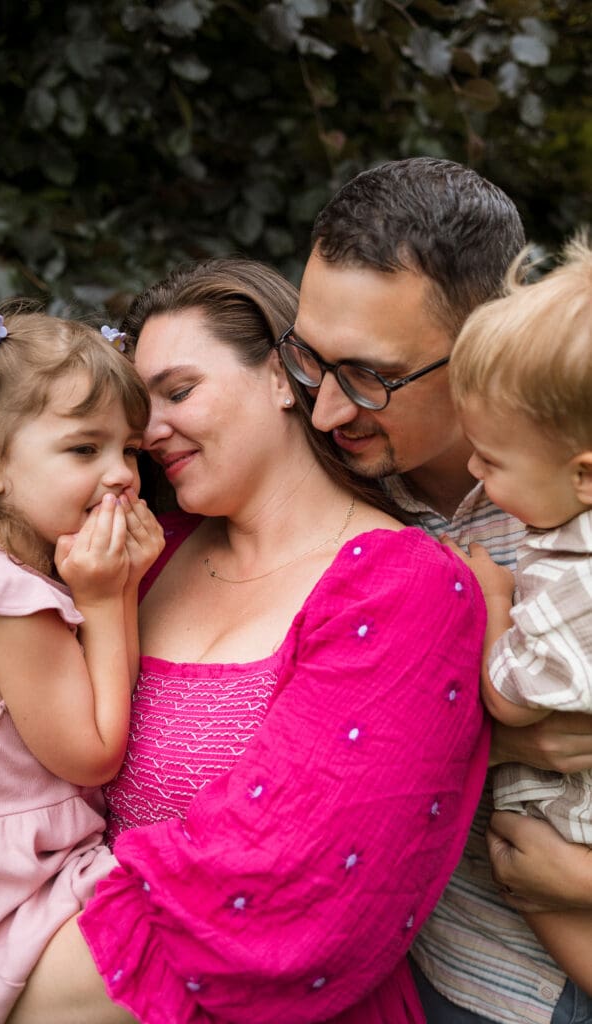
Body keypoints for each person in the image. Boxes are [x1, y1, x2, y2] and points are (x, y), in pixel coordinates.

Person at [7, 257, 490, 1024]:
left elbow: (290, 880)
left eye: (179, 391)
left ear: (280, 376)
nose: (147, 431)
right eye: (140, 407)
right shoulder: (144, 553)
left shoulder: (403, 586)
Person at [286, 155, 592, 1023]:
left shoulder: (574, 490)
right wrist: (498, 747)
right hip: (436, 981)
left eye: (371, 376)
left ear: (484, 340)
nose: (326, 413)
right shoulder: (311, 487)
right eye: (310, 359)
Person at [0, 305, 164, 1024]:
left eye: (130, 450)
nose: (120, 476)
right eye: (84, 450)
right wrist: (112, 597)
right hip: (9, 897)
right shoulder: (8, 601)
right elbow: (93, 755)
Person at [445, 235, 592, 995]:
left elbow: (507, 695)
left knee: (522, 858)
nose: (474, 472)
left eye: (493, 462)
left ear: (584, 474)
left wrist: (495, 599)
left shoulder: (575, 577)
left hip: (574, 830)